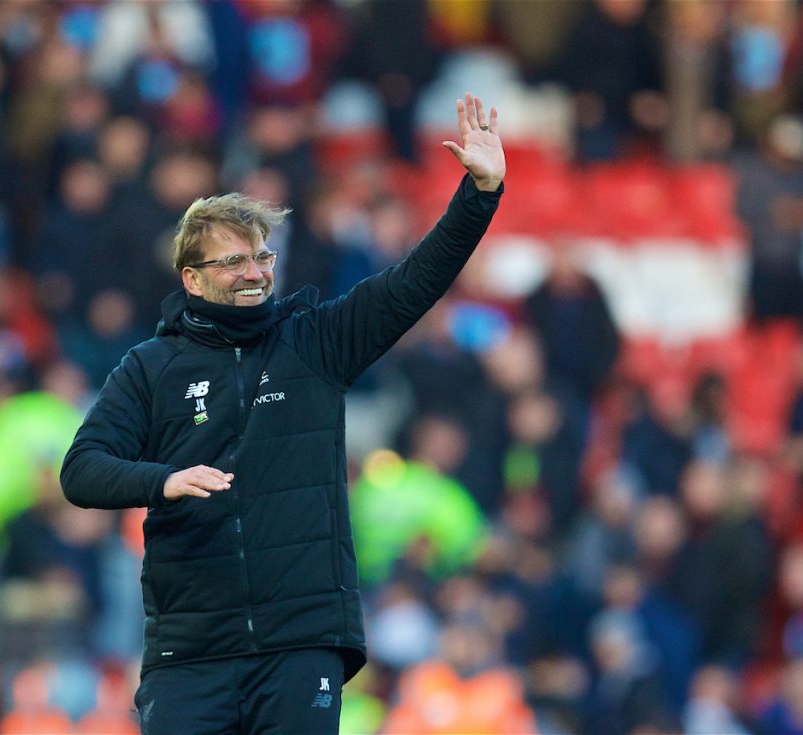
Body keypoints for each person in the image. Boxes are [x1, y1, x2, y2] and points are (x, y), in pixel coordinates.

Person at [60, 93, 505, 734]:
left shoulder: (316, 342)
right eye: (233, 260)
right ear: (191, 278)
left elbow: (414, 281)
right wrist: (162, 480)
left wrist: (479, 194)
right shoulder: (150, 367)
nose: (254, 272)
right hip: (190, 651)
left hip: (301, 645)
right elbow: (82, 470)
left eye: (262, 256)